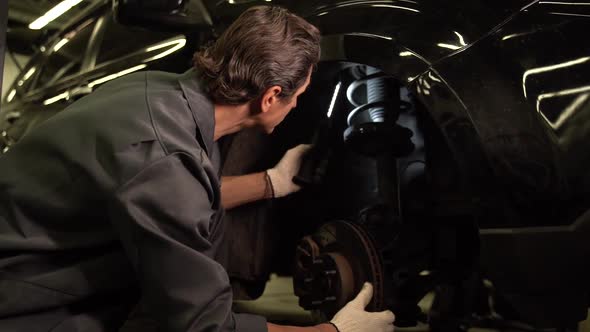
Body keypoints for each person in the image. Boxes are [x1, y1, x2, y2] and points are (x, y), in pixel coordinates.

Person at [0, 5, 395, 332]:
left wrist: (271, 183)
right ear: (271, 96)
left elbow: (168, 197)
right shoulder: (164, 155)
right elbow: (203, 327)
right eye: (299, 96)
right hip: (24, 306)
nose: (297, 107)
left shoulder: (157, 90)